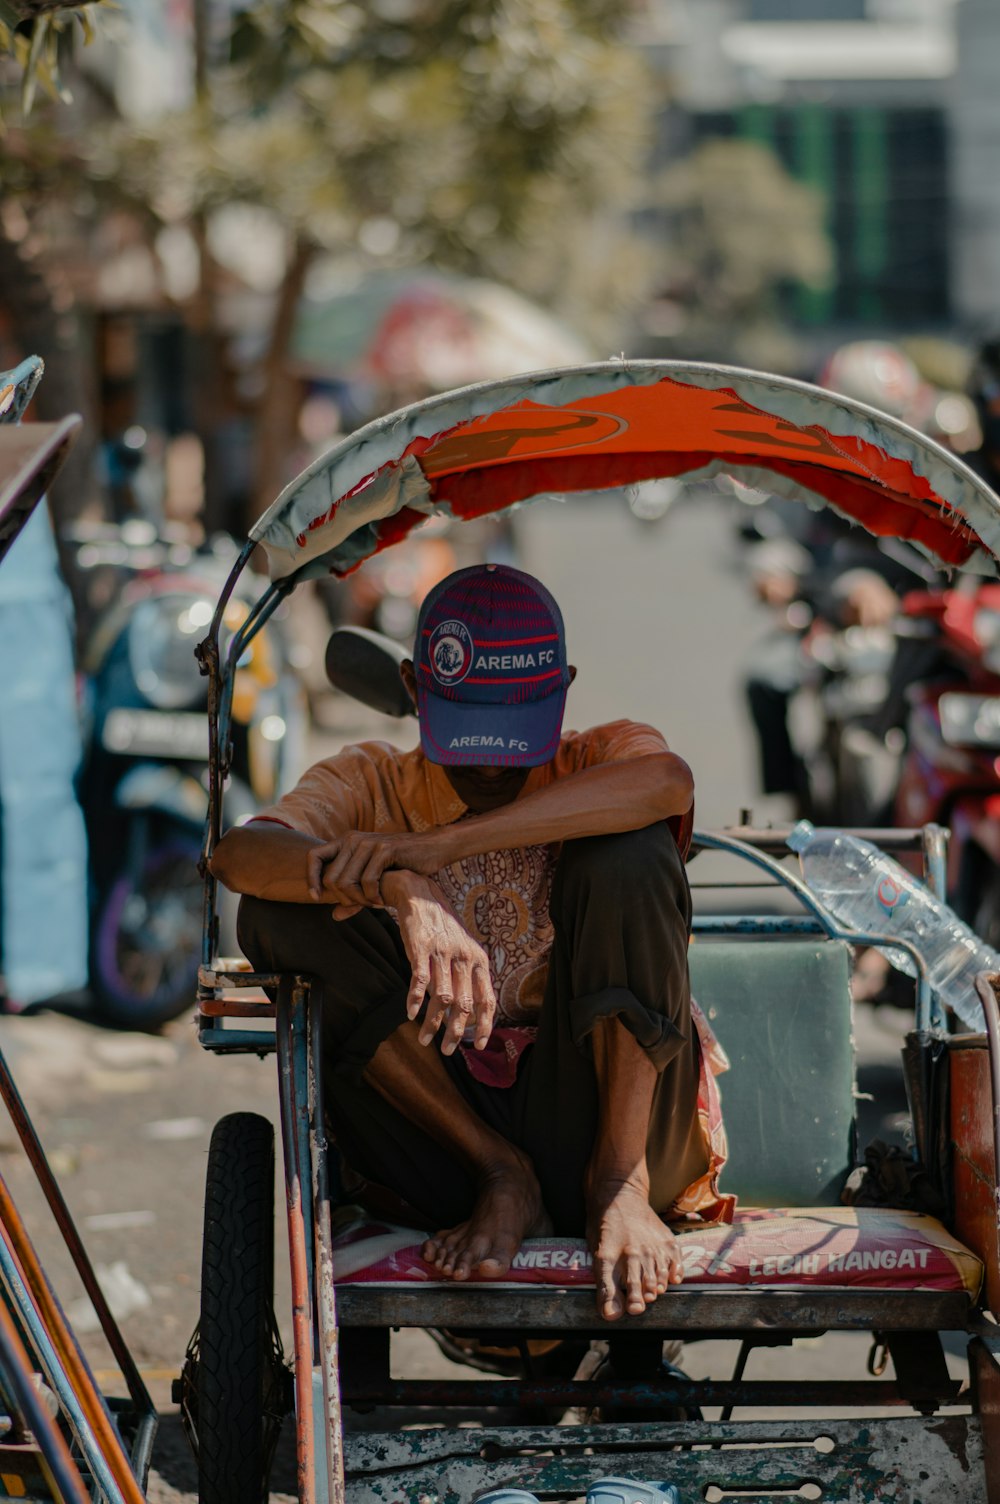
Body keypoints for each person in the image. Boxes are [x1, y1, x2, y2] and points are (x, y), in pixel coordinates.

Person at [211, 563, 731, 1322]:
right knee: (279, 913)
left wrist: (443, 846)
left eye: (512, 737)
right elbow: (239, 857)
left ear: (564, 689)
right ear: (415, 689)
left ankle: (617, 1185)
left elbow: (667, 784)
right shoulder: (370, 781)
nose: (490, 763)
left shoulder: (597, 756)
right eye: (466, 735)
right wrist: (393, 883)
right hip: (446, 1134)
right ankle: (504, 1176)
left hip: (611, 1119)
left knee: (631, 851)